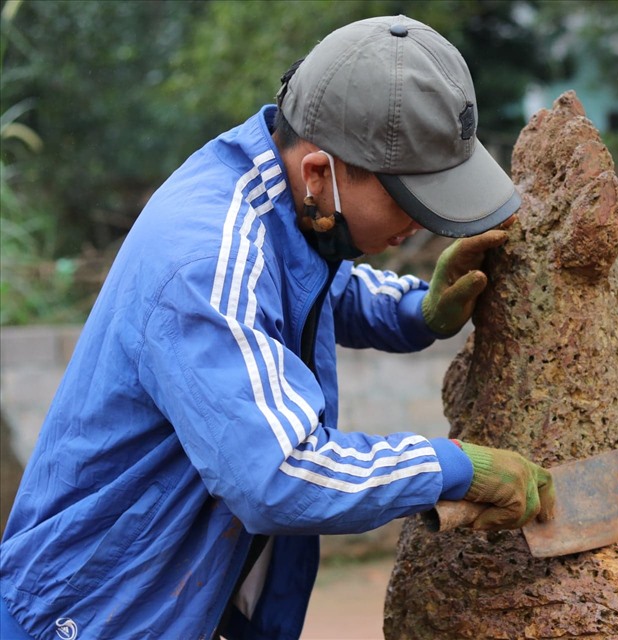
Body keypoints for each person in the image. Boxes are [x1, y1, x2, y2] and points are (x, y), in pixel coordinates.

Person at [0, 15, 554, 640]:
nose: (420, 226)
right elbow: (279, 474)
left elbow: (311, 283)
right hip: (94, 612)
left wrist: (416, 311)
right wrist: (451, 467)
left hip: (184, 601)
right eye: (408, 201)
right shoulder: (205, 257)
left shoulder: (279, 203)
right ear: (321, 172)